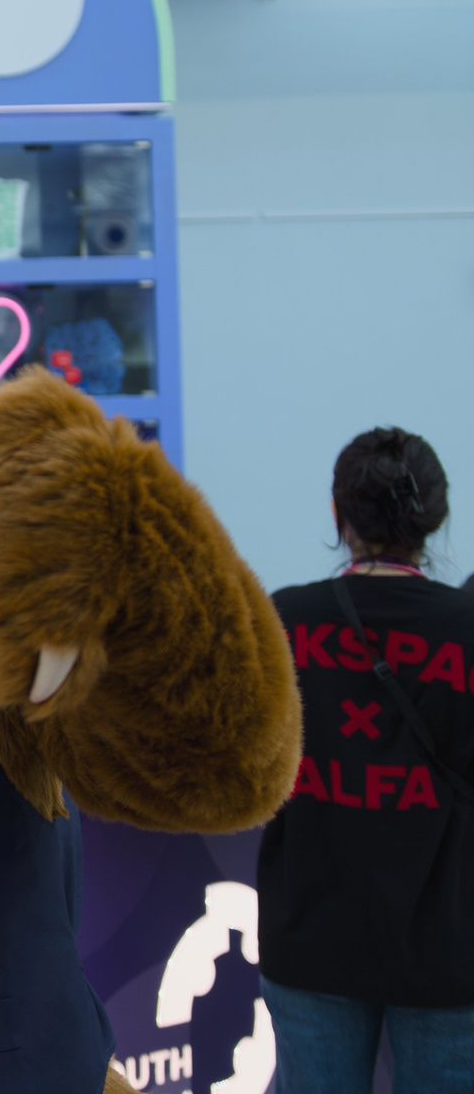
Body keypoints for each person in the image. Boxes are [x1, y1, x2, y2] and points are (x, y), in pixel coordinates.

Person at [259, 427, 474, 1093]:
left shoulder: (284, 620)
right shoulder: (465, 627)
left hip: (311, 941)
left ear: (338, 515)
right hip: (449, 946)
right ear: (435, 519)